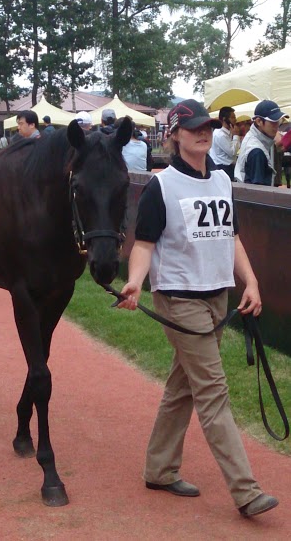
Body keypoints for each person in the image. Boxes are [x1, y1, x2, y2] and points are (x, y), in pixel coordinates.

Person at [118, 98, 278, 518]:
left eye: (206, 126)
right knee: (212, 389)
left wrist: (253, 281)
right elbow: (144, 244)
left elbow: (233, 238)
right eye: (192, 128)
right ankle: (246, 491)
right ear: (174, 135)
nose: (202, 133)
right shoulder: (162, 186)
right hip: (178, 299)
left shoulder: (222, 180)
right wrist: (135, 282)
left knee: (183, 386)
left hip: (217, 295)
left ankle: (159, 468)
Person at [235, 100, 288, 186]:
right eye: (273, 122)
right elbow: (258, 192)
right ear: (259, 121)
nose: (277, 126)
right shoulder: (257, 152)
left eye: (278, 121)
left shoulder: (252, 138)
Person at [209, 106, 240, 179]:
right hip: (223, 167)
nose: (235, 120)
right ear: (224, 119)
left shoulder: (227, 133)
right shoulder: (220, 134)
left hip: (227, 167)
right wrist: (236, 136)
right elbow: (232, 152)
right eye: (232, 117)